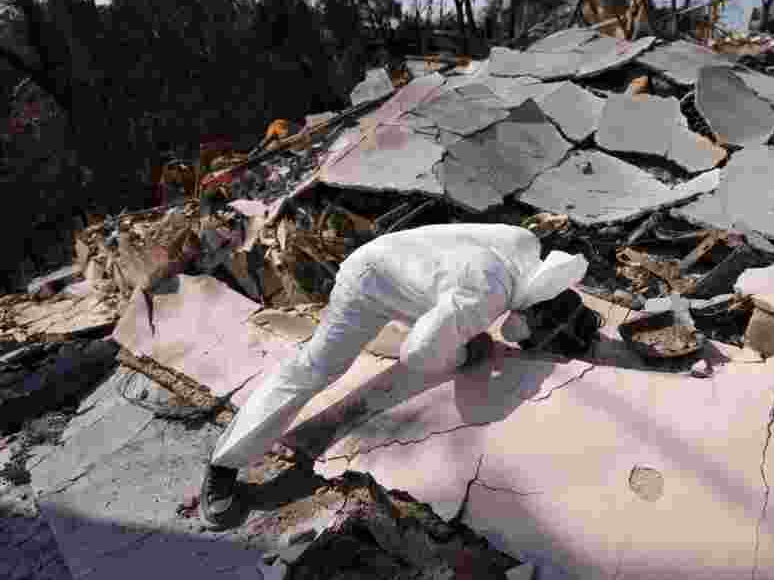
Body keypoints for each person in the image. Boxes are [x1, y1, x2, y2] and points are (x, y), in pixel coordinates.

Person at [200, 223, 594, 529]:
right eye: (536, 337)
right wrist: (461, 353)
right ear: (530, 313)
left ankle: (440, 320)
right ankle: (224, 464)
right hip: (368, 285)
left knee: (445, 322)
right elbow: (419, 354)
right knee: (316, 368)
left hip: (404, 263)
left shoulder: (524, 245)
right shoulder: (482, 298)